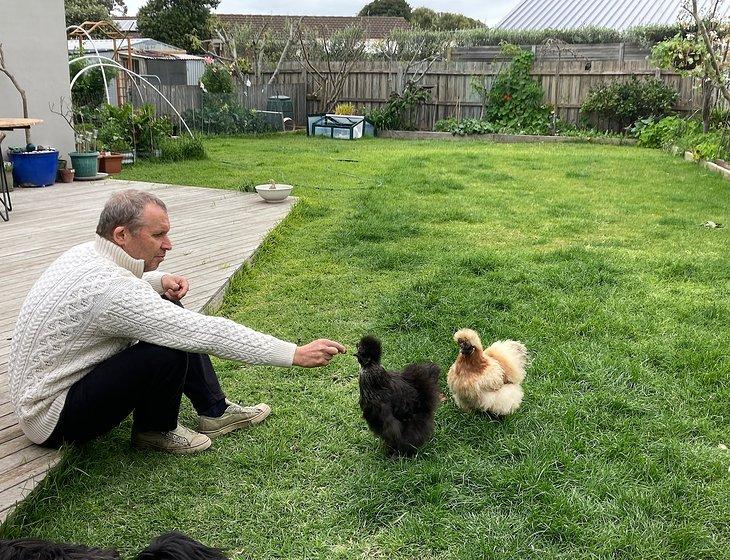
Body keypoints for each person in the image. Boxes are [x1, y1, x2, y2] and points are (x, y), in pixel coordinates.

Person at [9, 189, 346, 454]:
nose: (168, 245)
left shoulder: (87, 253)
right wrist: (293, 353)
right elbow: (206, 333)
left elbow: (109, 294)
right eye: (158, 236)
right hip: (51, 418)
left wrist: (158, 281)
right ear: (122, 235)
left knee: (168, 310)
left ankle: (213, 410)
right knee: (168, 346)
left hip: (40, 394)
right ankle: (155, 431)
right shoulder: (112, 290)